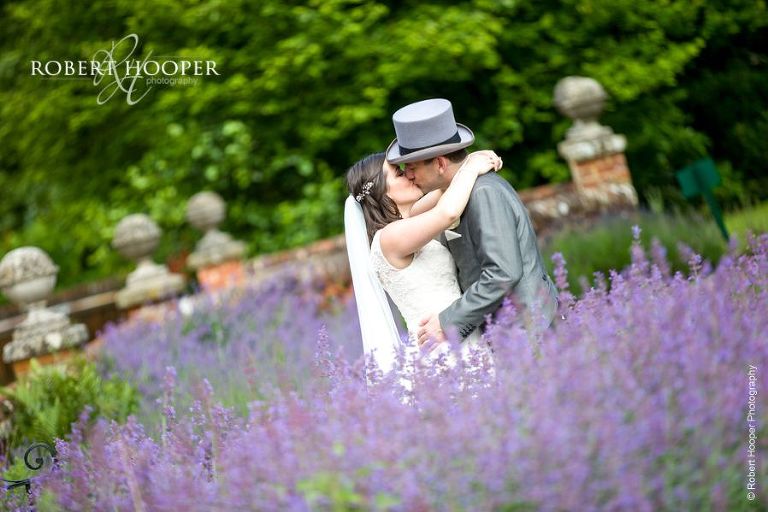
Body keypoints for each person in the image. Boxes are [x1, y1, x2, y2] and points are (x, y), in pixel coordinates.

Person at [383, 98, 559, 349]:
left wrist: (447, 322)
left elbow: (503, 273)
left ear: (441, 163)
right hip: (503, 338)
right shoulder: (454, 195)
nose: (408, 175)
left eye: (411, 167)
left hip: (529, 334)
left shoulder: (483, 193)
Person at [344, 145, 501, 377]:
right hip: (443, 352)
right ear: (382, 192)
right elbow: (447, 212)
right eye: (399, 173)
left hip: (460, 332)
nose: (408, 173)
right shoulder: (390, 238)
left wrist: (473, 159)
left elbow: (448, 186)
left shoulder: (410, 220)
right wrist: (472, 166)